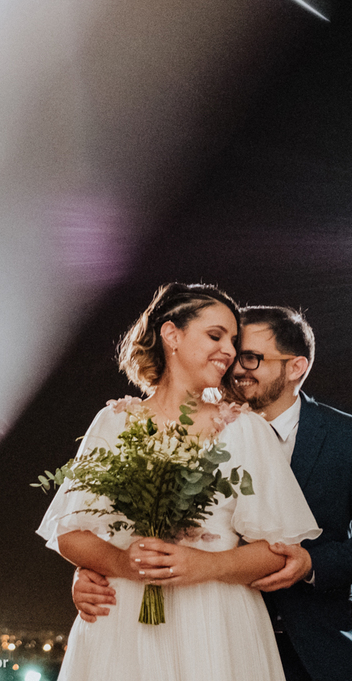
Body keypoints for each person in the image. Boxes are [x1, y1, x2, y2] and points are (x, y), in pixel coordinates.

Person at [72, 305, 352, 681]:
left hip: (313, 652)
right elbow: (120, 524)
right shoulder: (178, 427)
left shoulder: (347, 437)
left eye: (251, 358)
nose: (236, 368)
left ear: (296, 367)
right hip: (203, 638)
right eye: (235, 355)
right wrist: (95, 569)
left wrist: (312, 564)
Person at [38, 284, 321, 681]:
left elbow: (280, 553)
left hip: (217, 625)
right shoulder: (114, 422)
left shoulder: (245, 430)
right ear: (172, 335)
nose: (228, 351)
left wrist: (207, 565)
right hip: (122, 623)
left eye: (234, 342)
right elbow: (72, 534)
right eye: (215, 335)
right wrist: (122, 562)